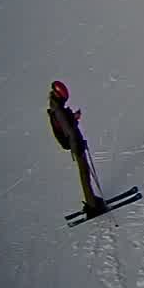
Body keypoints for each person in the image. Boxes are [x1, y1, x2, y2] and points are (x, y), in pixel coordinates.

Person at [47, 81, 103, 217]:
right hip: (75, 145)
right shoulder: (58, 110)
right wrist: (78, 146)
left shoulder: (56, 107)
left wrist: (73, 117)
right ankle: (92, 205)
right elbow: (69, 131)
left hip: (75, 143)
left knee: (85, 172)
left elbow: (67, 124)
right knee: (84, 173)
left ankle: (92, 200)